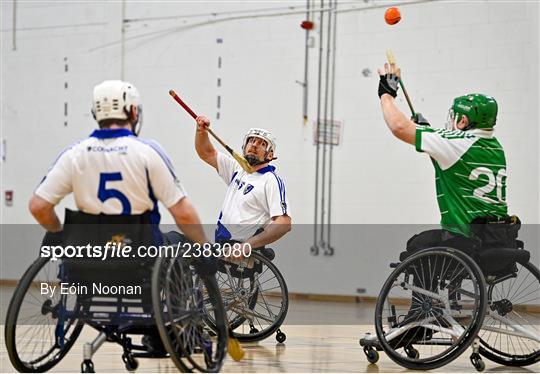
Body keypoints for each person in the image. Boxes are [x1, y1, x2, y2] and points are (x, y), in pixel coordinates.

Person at [29, 79, 208, 355]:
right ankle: (170, 332)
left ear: (95, 113)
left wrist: (57, 232)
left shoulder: (74, 154)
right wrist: (203, 248)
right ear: (133, 112)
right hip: (140, 260)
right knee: (181, 245)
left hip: (85, 262)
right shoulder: (148, 152)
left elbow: (39, 206)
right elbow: (183, 212)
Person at [377, 62, 509, 249]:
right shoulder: (495, 148)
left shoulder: (457, 142)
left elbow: (398, 126)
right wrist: (427, 133)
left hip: (464, 240)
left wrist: (386, 94)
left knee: (416, 244)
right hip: (496, 240)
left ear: (463, 121)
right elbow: (453, 166)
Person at [193, 116, 291, 252]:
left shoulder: (270, 180)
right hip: (222, 247)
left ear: (270, 155)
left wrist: (247, 245)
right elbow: (206, 153)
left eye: (262, 144)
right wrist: (201, 132)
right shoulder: (237, 169)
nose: (255, 145)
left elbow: (284, 223)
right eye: (251, 140)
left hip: (243, 251)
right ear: (244, 146)